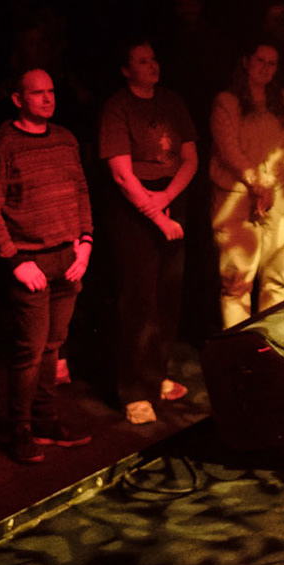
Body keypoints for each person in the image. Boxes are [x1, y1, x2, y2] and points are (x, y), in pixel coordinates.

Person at [0, 69, 95, 464]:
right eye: (38, 93)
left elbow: (81, 192)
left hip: (67, 257)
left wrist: (86, 242)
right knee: (30, 351)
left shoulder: (65, 138)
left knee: (53, 346)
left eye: (51, 91)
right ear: (18, 99)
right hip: (32, 260)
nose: (47, 98)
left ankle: (45, 420)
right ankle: (21, 429)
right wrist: (14, 260)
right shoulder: (3, 145)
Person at [96, 42, 198, 426]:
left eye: (153, 58)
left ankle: (156, 376)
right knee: (139, 298)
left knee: (168, 294)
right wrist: (158, 216)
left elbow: (190, 158)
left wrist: (168, 198)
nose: (152, 65)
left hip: (168, 197)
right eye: (142, 61)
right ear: (126, 70)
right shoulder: (117, 107)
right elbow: (122, 174)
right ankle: (134, 390)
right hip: (134, 209)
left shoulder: (172, 101)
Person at [208, 41, 284, 328]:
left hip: (280, 197)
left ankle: (270, 345)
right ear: (246, 62)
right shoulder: (226, 102)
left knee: (276, 278)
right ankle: (240, 346)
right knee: (237, 281)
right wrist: (258, 182)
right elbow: (229, 149)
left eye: (271, 63)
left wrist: (269, 184)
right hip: (235, 199)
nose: (265, 68)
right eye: (260, 60)